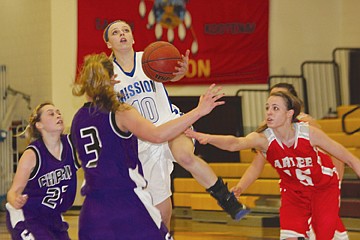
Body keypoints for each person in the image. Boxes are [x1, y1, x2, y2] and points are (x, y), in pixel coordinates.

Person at [103, 20, 249, 229]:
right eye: (116, 32)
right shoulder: (106, 73)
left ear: (133, 38)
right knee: (162, 212)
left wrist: (181, 71)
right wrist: (103, 90)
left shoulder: (148, 58)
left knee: (184, 155)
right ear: (109, 43)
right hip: (143, 141)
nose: (122, 34)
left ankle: (228, 200)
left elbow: (172, 74)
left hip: (171, 124)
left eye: (126, 30)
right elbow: (97, 102)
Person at [71, 53, 225, 239]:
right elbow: (158, 135)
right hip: (127, 201)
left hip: (93, 210)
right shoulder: (121, 113)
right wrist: (198, 111)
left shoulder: (78, 119)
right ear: (113, 79)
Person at [185, 91, 360, 239]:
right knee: (289, 236)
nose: (269, 112)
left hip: (323, 189)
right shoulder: (264, 139)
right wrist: (207, 137)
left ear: (289, 113)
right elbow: (235, 143)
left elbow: (349, 158)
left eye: (275, 108)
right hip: (294, 193)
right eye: (267, 108)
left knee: (323, 235)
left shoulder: (308, 133)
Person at [234, 83, 348, 239]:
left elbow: (335, 154)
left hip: (319, 186)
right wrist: (240, 186)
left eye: (279, 100)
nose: (273, 106)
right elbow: (256, 165)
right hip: (297, 192)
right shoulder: (269, 133)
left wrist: (336, 185)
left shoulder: (306, 125)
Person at [5, 102, 80, 240]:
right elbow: (13, 191)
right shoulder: (32, 154)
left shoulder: (71, 145)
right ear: (39, 125)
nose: (58, 115)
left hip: (53, 216)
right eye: (51, 113)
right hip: (28, 216)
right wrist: (15, 200)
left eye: (58, 112)